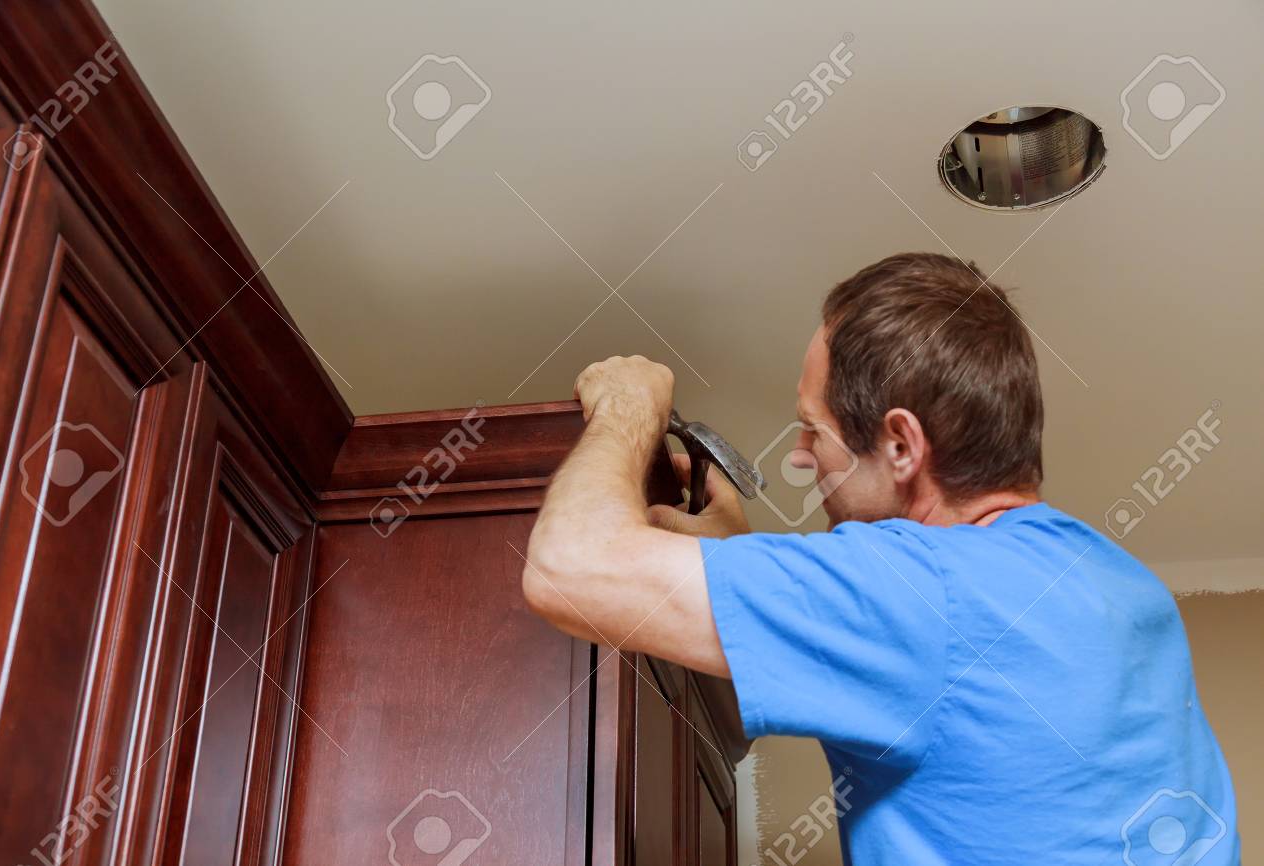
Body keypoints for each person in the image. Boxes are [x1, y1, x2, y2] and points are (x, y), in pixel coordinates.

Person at [521, 252, 1238, 865]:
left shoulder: (917, 591)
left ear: (902, 445)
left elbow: (570, 567)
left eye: (814, 431)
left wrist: (627, 407)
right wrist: (742, 560)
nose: (801, 456)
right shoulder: (1124, 589)